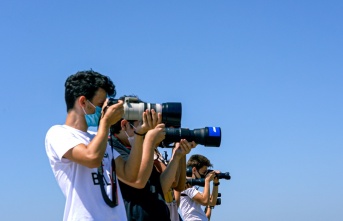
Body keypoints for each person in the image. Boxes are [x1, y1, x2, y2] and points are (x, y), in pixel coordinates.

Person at [45, 70, 164, 221]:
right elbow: (92, 158)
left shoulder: (99, 138)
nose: (104, 110)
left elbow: (132, 176)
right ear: (83, 102)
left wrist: (140, 134)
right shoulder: (58, 133)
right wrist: (105, 123)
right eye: (101, 105)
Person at [109, 95, 195, 221]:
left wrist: (177, 156)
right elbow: (139, 181)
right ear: (124, 125)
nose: (146, 129)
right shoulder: (113, 149)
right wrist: (149, 140)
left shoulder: (135, 148)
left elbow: (160, 188)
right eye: (142, 125)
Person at [176, 154, 220, 221]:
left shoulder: (192, 187)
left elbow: (212, 202)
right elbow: (204, 201)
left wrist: (216, 183)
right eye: (203, 172)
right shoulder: (186, 184)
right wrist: (207, 181)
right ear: (194, 170)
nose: (204, 175)